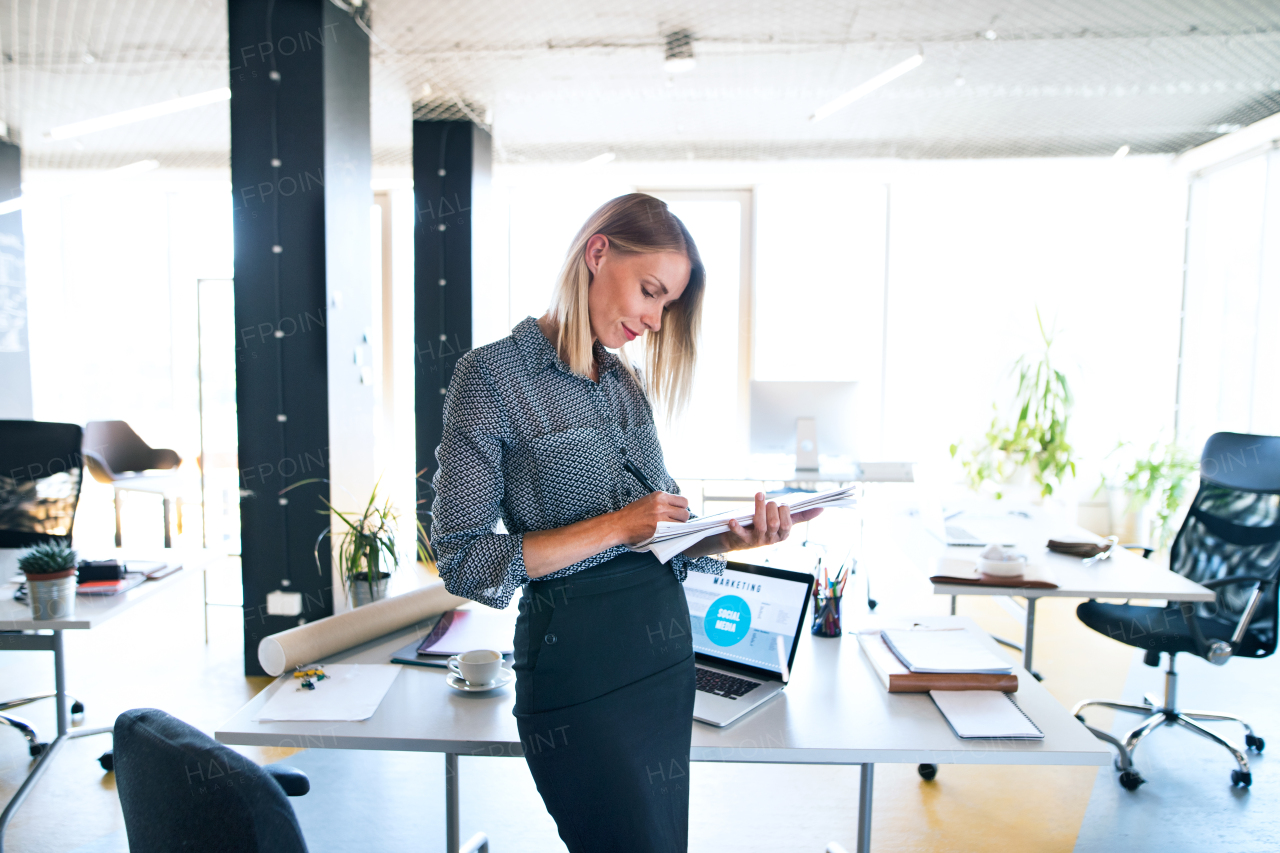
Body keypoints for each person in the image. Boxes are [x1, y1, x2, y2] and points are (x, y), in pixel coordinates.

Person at [431, 192, 820, 852]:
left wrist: (733, 535)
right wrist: (615, 525)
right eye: (650, 291)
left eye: (667, 303)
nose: (656, 318)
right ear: (598, 251)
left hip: (663, 659)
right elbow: (464, 558)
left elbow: (660, 531)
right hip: (579, 668)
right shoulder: (492, 376)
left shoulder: (624, 384)